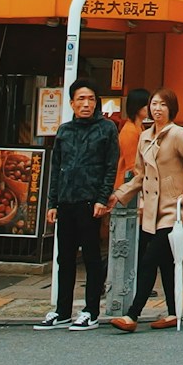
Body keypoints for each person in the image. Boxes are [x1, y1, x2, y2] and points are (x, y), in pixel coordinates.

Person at [107, 88, 183, 332]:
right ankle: (174, 313)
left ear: (171, 109)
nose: (157, 108)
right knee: (165, 263)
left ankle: (133, 314)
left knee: (148, 260)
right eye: (154, 104)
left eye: (163, 104)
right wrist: (120, 194)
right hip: (151, 212)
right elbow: (141, 174)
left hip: (172, 210)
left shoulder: (177, 135)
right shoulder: (144, 137)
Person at [37, 78, 117, 330]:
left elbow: (110, 167)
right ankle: (62, 311)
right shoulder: (64, 131)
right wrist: (52, 202)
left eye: (91, 98)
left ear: (97, 102)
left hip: (90, 202)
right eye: (81, 99)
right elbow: (56, 168)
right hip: (66, 201)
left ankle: (91, 311)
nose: (86, 104)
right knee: (65, 259)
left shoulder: (107, 129)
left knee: (92, 258)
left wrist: (102, 199)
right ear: (71, 103)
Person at [116, 88, 151, 193]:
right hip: (127, 186)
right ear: (138, 107)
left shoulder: (139, 127)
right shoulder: (129, 131)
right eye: (147, 105)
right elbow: (132, 166)